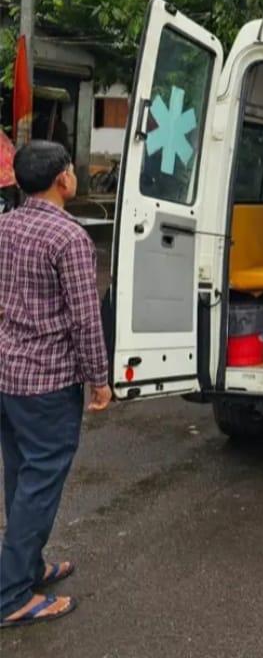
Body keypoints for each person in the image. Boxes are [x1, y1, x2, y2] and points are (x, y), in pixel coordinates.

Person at [0, 141, 112, 629]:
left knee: (20, 475)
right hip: (46, 382)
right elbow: (86, 320)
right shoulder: (69, 238)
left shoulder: (4, 227)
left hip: (6, 375)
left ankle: (27, 567)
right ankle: (12, 596)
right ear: (63, 179)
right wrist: (99, 381)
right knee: (40, 484)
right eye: (70, 168)